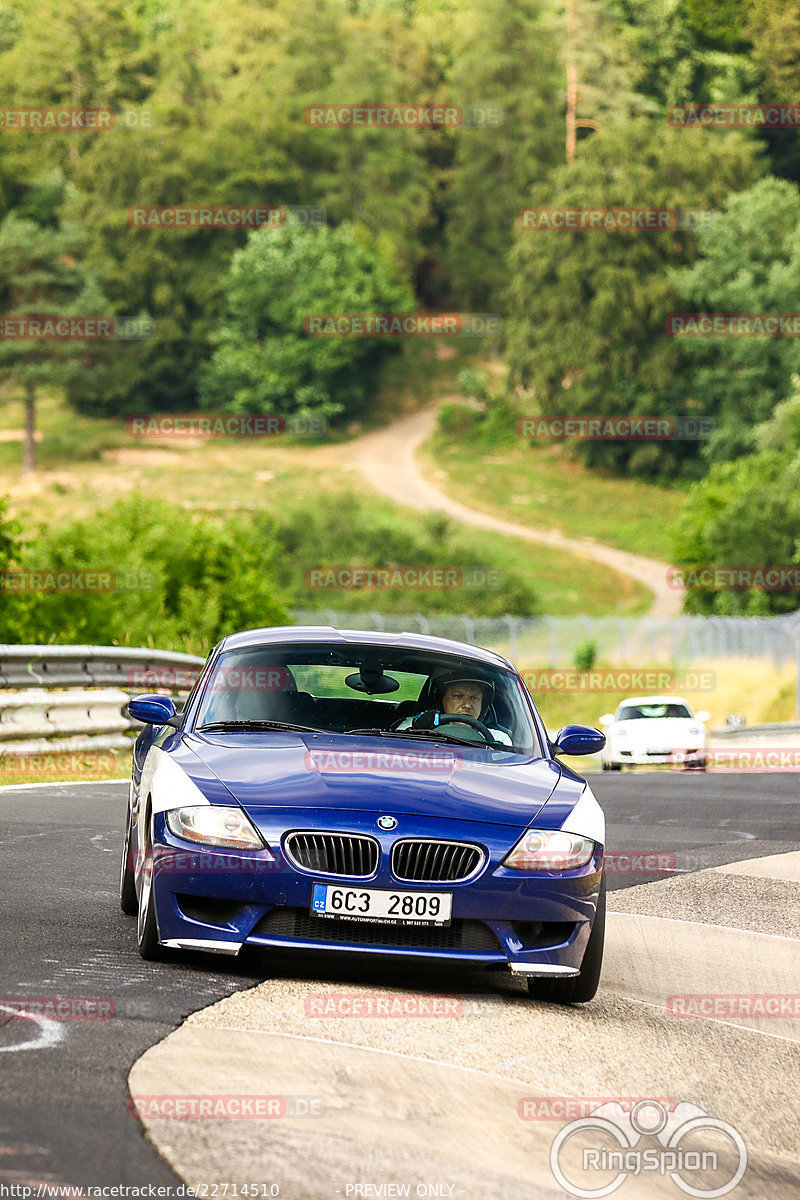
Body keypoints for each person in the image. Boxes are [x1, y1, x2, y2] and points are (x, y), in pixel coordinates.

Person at [397, 669, 513, 745]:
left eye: (474, 698)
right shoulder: (414, 725)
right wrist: (417, 732)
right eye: (458, 696)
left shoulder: (499, 739)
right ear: (441, 700)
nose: (467, 705)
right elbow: (395, 751)